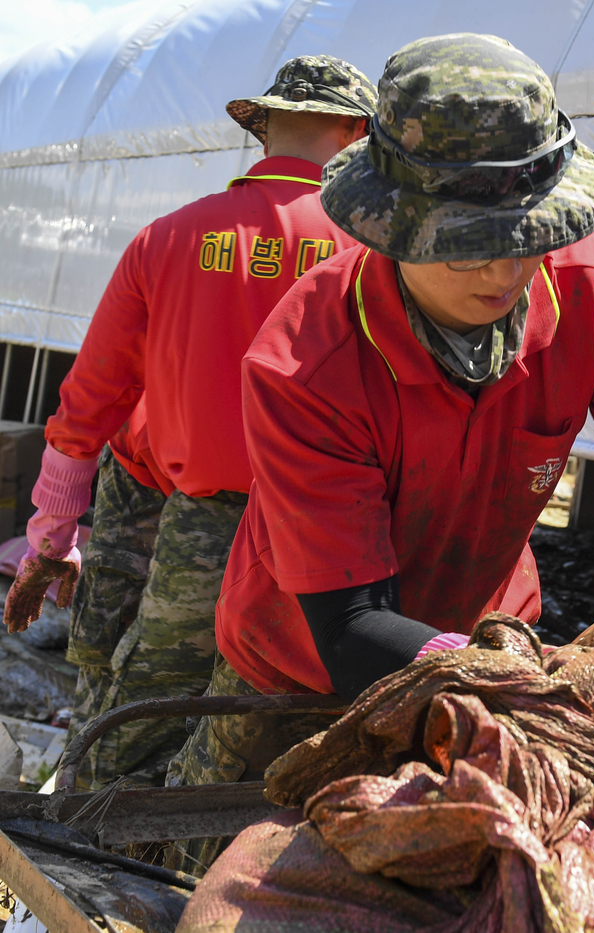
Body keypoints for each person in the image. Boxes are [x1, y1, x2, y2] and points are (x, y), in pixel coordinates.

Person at [173, 32, 594, 797]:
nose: (505, 271)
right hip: (301, 672)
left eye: (530, 237)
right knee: (233, 880)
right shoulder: (309, 362)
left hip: (487, 634)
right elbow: (352, 625)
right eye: (468, 247)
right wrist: (517, 688)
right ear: (390, 227)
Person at [1, 55, 378, 790]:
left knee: (145, 709)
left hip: (197, 522)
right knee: (283, 716)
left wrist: (53, 531)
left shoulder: (168, 237)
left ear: (263, 129)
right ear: (356, 132)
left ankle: (95, 867)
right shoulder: (373, 255)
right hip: (324, 529)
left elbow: (91, 398)